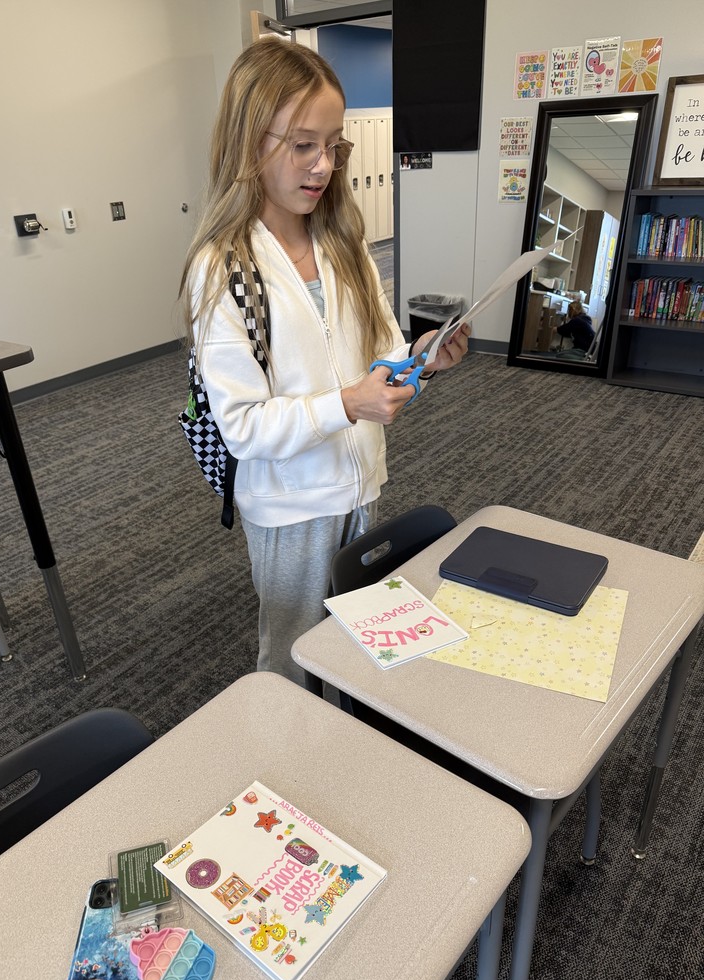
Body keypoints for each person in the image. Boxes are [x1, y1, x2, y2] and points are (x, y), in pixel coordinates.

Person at [179, 37, 469, 684]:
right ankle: (288, 764)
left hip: (361, 487)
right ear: (249, 141)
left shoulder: (341, 241)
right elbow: (244, 429)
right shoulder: (223, 270)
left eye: (334, 146)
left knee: (349, 647)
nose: (323, 166)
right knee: (292, 658)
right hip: (290, 510)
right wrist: (346, 404)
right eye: (302, 144)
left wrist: (423, 360)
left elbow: (381, 355)